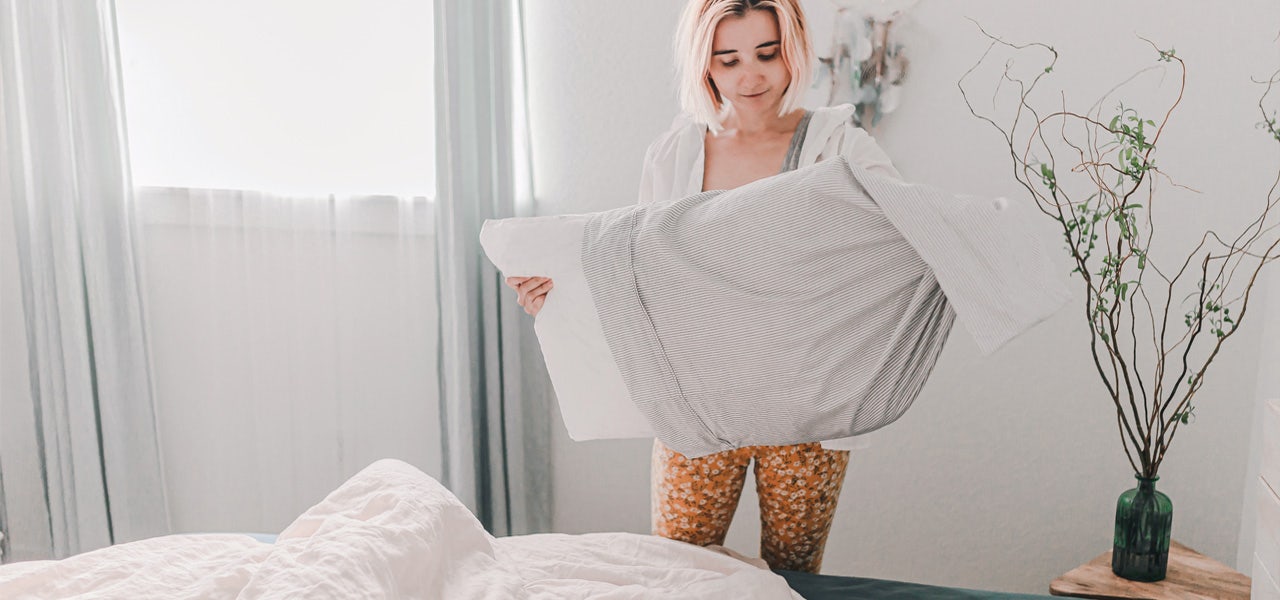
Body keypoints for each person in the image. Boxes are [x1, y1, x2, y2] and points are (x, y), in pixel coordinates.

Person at [504, 0, 902, 573]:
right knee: (677, 570)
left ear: (793, 49)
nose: (751, 75)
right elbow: (634, 272)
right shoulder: (676, 153)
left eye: (767, 54)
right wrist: (557, 298)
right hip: (695, 401)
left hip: (805, 410)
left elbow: (895, 246)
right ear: (705, 66)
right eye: (729, 59)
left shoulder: (839, 146)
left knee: (795, 578)